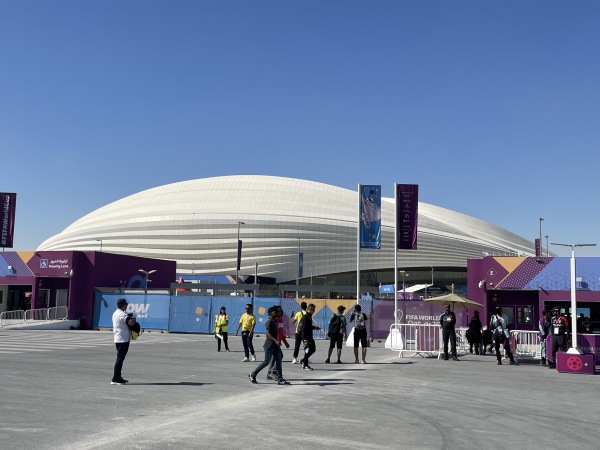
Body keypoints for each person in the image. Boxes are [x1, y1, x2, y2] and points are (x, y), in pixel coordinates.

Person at [249, 306, 289, 385]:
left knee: (278, 361)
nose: (279, 313)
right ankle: (253, 374)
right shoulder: (269, 322)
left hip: (276, 346)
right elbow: (267, 333)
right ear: (272, 313)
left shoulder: (274, 321)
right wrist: (276, 341)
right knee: (266, 362)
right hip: (269, 345)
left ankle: (280, 379)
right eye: (277, 312)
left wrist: (282, 342)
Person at [112, 298, 136, 385]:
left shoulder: (115, 313)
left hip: (118, 338)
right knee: (120, 359)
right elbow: (131, 323)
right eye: (126, 304)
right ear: (123, 305)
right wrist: (134, 318)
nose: (127, 306)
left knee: (120, 358)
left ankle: (117, 376)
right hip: (123, 340)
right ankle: (116, 378)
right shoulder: (122, 314)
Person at [267, 306, 290, 380]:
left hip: (277, 343)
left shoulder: (280, 320)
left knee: (274, 359)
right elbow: (270, 333)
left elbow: (281, 333)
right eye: (279, 311)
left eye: (281, 311)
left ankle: (269, 374)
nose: (281, 312)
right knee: (279, 357)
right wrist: (276, 341)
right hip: (274, 343)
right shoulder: (275, 320)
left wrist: (285, 342)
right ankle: (273, 372)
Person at [300, 303, 321, 370]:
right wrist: (304, 338)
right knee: (307, 350)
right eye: (313, 310)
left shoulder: (309, 317)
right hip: (306, 337)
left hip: (310, 336)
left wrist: (315, 328)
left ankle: (303, 360)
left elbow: (309, 327)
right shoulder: (305, 317)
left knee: (313, 349)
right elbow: (303, 328)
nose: (314, 311)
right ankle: (305, 364)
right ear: (310, 309)